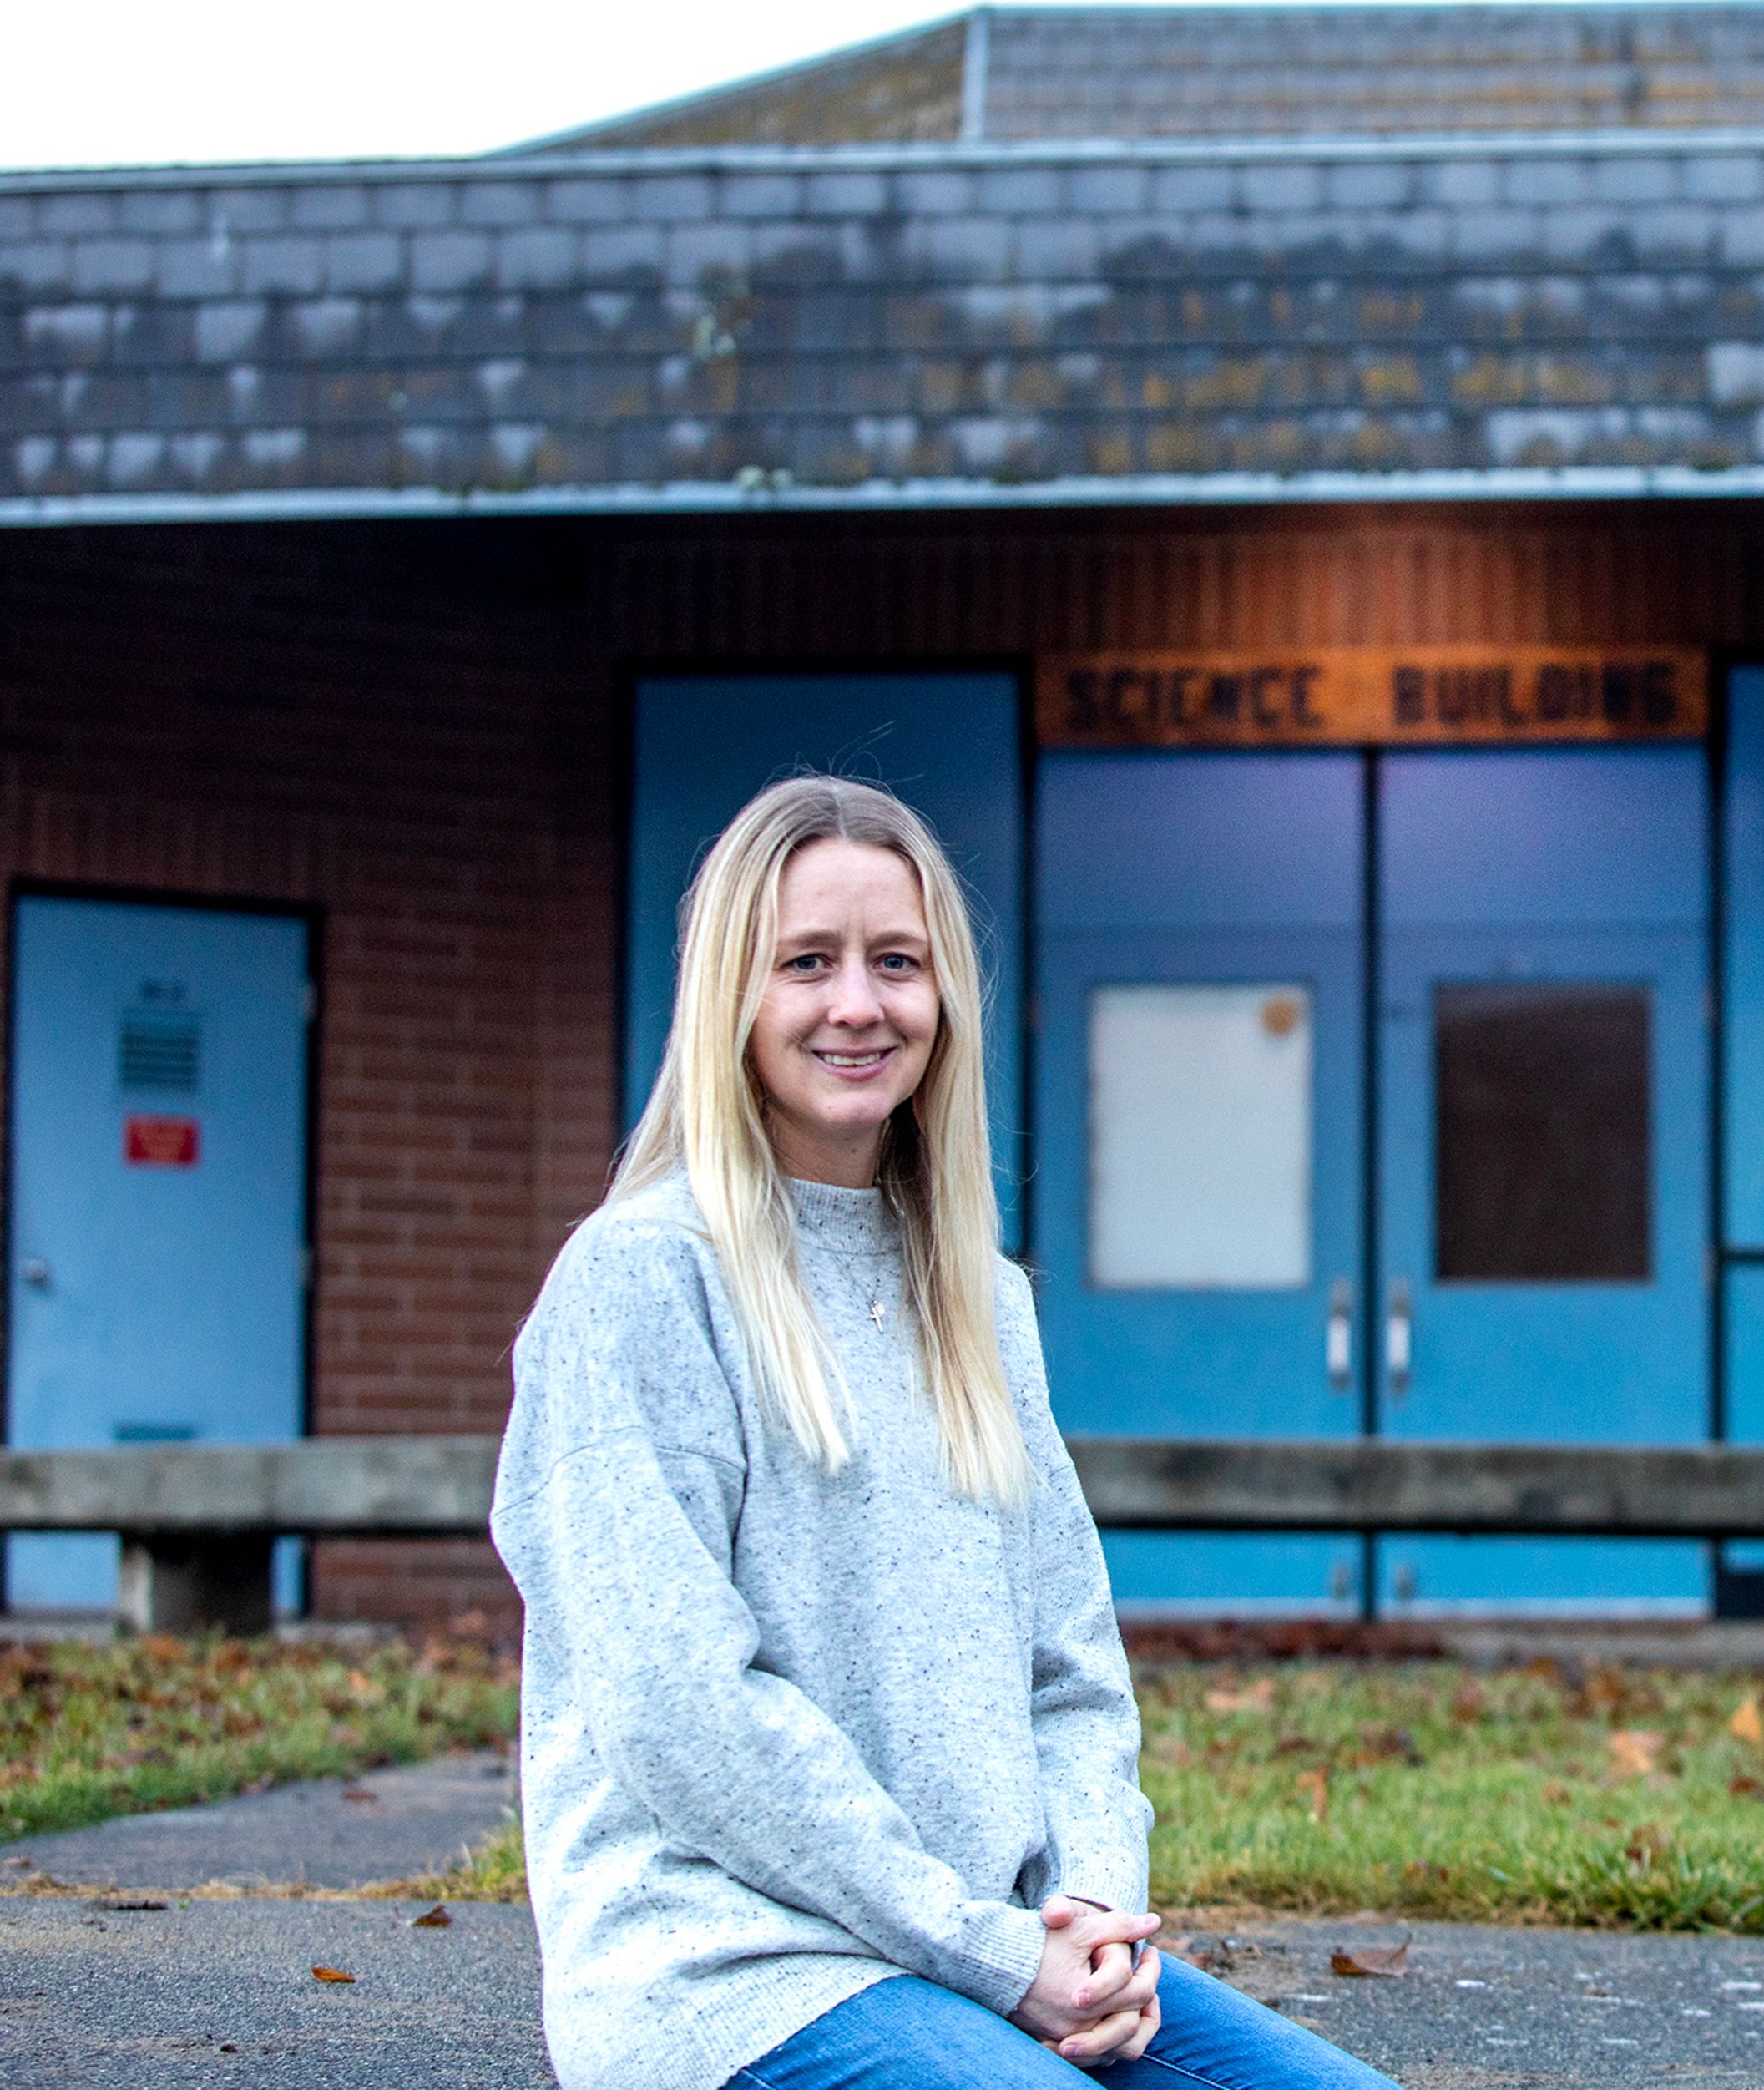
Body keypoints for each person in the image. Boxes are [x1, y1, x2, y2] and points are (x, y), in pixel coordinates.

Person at [495, 774, 1402, 2090]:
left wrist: (1095, 1912)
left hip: (996, 1949)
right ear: (729, 998)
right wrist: (986, 1951)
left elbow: (1071, 1666)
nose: (857, 1003)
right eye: (806, 961)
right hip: (734, 1972)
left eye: (897, 962)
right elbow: (685, 1719)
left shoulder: (982, 1296)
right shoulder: (640, 1279)